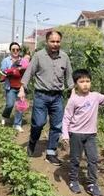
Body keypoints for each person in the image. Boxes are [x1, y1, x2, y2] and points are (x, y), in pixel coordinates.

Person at [62, 69, 104, 196]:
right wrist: (65, 135)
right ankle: (73, 180)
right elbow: (66, 118)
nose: (85, 84)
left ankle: (92, 184)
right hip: (75, 134)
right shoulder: (73, 100)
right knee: (75, 159)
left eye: (88, 81)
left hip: (91, 135)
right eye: (81, 82)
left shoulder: (96, 96)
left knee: (93, 159)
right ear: (76, 84)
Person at [18, 30, 74, 166]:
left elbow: (69, 77)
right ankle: (32, 141)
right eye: (52, 41)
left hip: (57, 97)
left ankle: (50, 153)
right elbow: (29, 73)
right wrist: (22, 88)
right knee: (38, 123)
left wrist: (73, 91)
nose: (55, 44)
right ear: (47, 42)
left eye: (58, 41)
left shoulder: (64, 57)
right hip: (41, 96)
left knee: (57, 125)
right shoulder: (38, 56)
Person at [0, 42, 29, 132]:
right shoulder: (6, 61)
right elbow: (2, 72)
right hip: (10, 86)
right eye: (13, 49)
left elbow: (27, 72)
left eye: (17, 49)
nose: (15, 51)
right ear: (10, 51)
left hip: (21, 86)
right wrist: (11, 71)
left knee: (20, 106)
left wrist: (22, 70)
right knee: (10, 104)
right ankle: (5, 116)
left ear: (19, 50)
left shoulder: (23, 61)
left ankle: (17, 124)